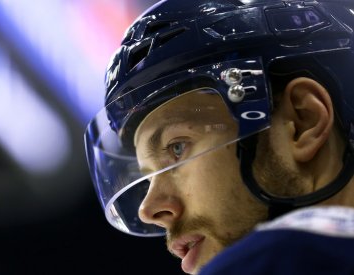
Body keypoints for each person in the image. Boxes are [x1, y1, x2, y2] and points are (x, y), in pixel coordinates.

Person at [84, 0, 354, 274]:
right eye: (150, 176)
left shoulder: (275, 258)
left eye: (176, 148)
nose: (148, 210)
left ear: (302, 120)